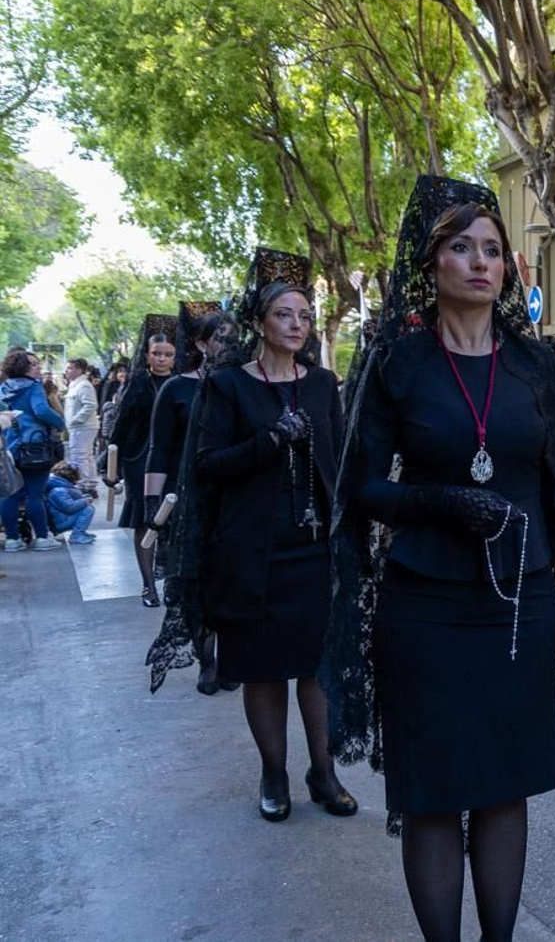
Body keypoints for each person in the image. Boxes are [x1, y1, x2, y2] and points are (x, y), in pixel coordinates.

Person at [325, 178, 555, 941]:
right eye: (460, 247)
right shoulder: (397, 362)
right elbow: (364, 490)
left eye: (491, 249)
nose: (481, 263)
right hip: (426, 603)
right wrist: (443, 501)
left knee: (505, 784)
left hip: (519, 600)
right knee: (437, 789)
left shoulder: (537, 363)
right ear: (431, 260)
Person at [182, 250, 356, 828]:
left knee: (316, 666)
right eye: (285, 314)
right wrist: (270, 441)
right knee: (262, 669)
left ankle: (323, 771)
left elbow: (339, 464)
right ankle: (274, 772)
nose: (298, 324)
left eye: (305, 314)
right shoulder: (229, 387)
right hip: (251, 553)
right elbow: (207, 465)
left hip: (314, 550)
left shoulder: (324, 384)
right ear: (260, 322)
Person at [146, 302, 233, 694]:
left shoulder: (241, 383)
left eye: (235, 337)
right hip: (187, 500)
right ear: (201, 343)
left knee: (231, 578)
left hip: (233, 495)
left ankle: (232, 657)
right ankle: (207, 660)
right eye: (220, 338)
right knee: (195, 581)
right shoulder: (177, 388)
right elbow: (160, 449)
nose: (229, 344)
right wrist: (154, 506)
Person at [110, 315, 179, 604]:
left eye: (168, 354)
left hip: (174, 458)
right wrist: (110, 468)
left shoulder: (183, 383)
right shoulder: (138, 384)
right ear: (147, 355)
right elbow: (121, 426)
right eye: (156, 354)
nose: (162, 359)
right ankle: (148, 585)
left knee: (175, 518)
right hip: (140, 458)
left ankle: (173, 582)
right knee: (145, 520)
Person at [2, 348, 68, 552]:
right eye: (34, 363)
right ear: (23, 367)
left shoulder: (4, 388)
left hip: (9, 446)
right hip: (34, 446)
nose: (38, 366)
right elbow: (41, 410)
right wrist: (59, 421)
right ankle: (41, 537)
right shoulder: (33, 387)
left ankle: (12, 539)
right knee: (34, 494)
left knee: (10, 493)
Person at [62, 358, 98, 475]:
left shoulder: (83, 385)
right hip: (79, 427)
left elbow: (90, 405)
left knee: (80, 457)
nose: (66, 371)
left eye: (70, 368)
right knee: (84, 456)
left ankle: (85, 484)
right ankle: (88, 483)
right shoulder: (75, 385)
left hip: (83, 427)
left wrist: (75, 421)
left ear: (79, 370)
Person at [44, 461, 96, 544]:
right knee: (88, 509)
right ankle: (77, 535)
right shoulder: (59, 490)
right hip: (60, 522)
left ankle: (80, 533)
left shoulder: (56, 486)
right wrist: (85, 501)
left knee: (86, 508)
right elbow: (69, 507)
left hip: (58, 520)